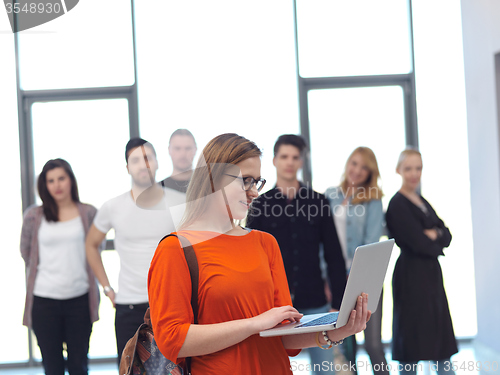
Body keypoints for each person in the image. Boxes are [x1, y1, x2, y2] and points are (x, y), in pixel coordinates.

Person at [148, 133, 371, 375]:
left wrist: (339, 331)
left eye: (257, 182)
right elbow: (173, 341)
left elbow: (284, 337)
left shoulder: (265, 243)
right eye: (245, 180)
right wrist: (254, 324)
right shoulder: (176, 249)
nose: (254, 192)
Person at [247, 134, 347, 374]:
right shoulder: (259, 205)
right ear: (274, 160)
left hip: (315, 301)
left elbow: (334, 254)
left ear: (301, 161)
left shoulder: (319, 202)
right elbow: (251, 256)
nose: (289, 162)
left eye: (294, 157)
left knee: (325, 368)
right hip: (274, 304)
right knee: (273, 365)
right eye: (284, 156)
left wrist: (338, 302)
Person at [85, 138, 186, 365]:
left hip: (169, 306)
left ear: (158, 162)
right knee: (130, 369)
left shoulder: (179, 203)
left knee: (174, 369)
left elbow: (195, 251)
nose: (143, 165)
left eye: (148, 157)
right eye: (136, 160)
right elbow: (91, 244)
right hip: (128, 307)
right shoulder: (113, 206)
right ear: (128, 167)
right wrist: (107, 288)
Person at [20, 158, 100, 375]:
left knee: (79, 365)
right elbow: (26, 252)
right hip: (44, 302)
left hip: (80, 300)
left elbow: (96, 249)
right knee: (52, 367)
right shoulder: (33, 216)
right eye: (51, 180)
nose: (57, 185)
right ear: (44, 185)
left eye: (61, 178)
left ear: (71, 180)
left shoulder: (89, 213)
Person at [385, 149, 457, 375]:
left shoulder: (421, 200)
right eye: (408, 168)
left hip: (431, 276)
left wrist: (434, 234)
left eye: (418, 168)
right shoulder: (397, 204)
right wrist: (434, 237)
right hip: (411, 277)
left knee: (440, 339)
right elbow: (419, 243)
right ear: (399, 170)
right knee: (411, 343)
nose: (414, 173)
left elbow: (447, 234)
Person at [325, 147, 388, 375]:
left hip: (365, 278)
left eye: (364, 167)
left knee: (372, 345)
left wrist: (353, 276)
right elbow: (324, 241)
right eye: (354, 163)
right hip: (335, 278)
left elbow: (372, 241)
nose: (357, 170)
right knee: (344, 345)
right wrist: (329, 279)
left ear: (370, 173)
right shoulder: (330, 195)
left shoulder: (373, 200)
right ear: (347, 164)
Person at [160, 128, 197, 193]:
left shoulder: (208, 186)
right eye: (177, 148)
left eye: (188, 148)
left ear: (195, 150)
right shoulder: (159, 189)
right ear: (169, 150)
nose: (183, 154)